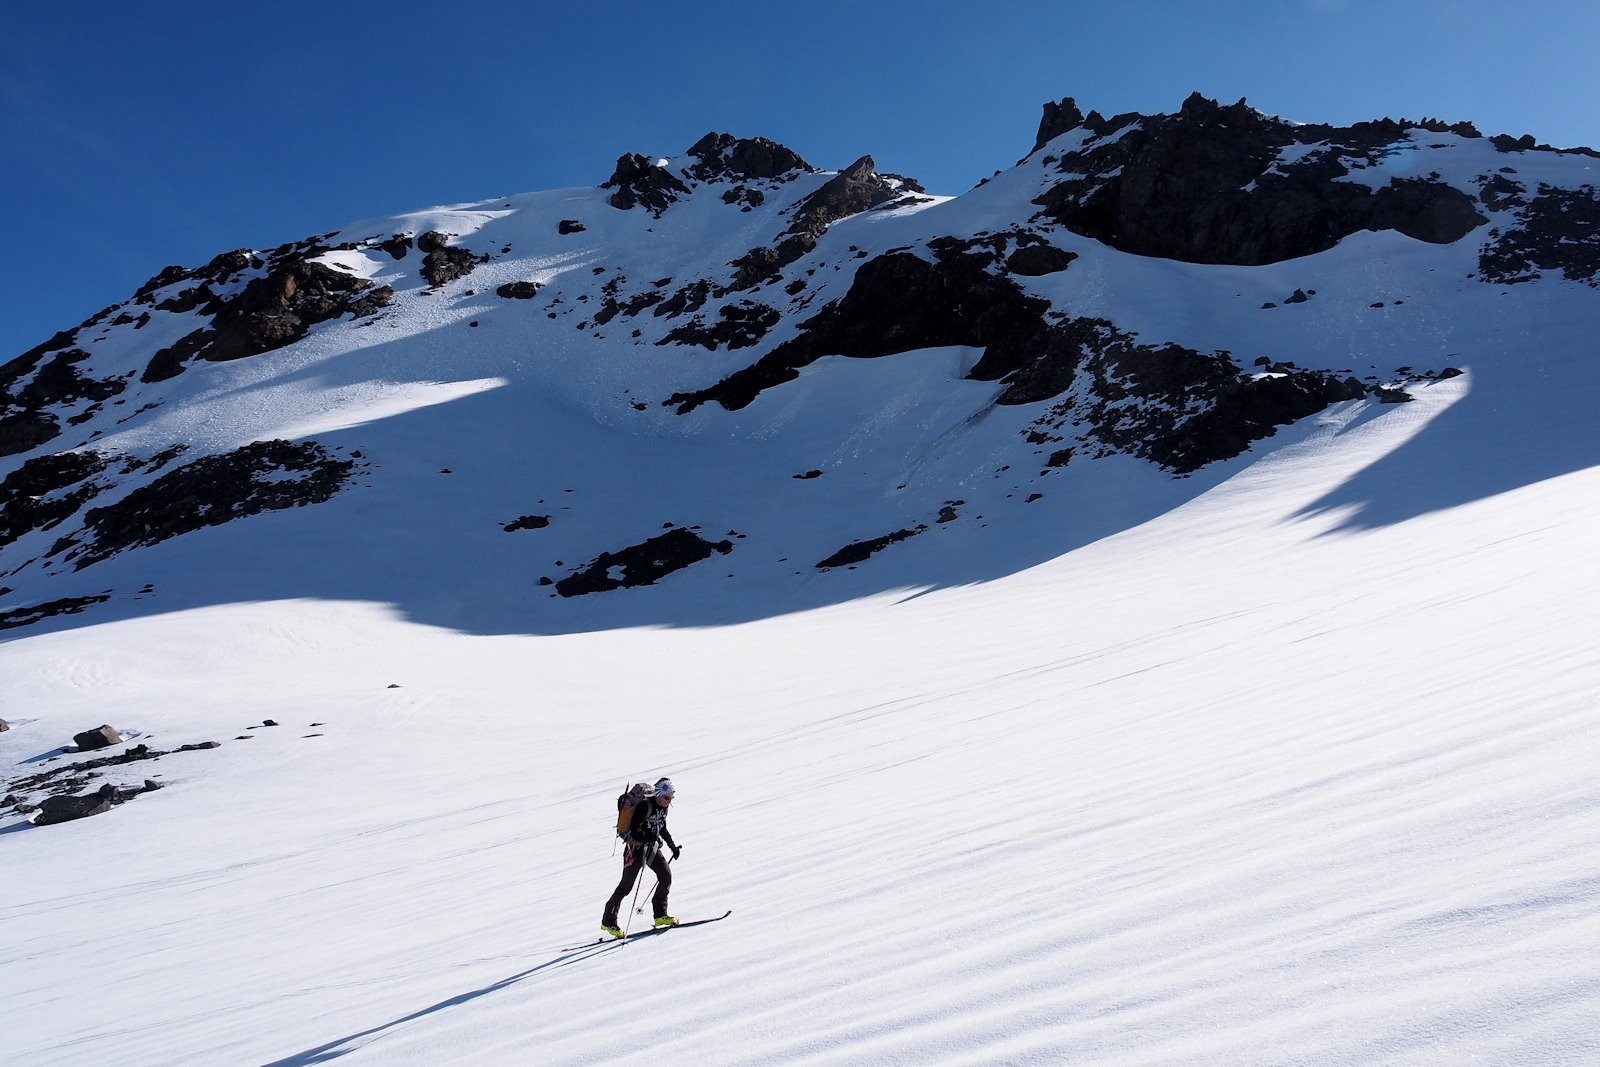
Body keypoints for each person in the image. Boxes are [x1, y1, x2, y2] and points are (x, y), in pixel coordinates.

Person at [602, 777, 681, 937]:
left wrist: (672, 845)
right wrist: (650, 836)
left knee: (665, 876)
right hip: (635, 849)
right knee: (625, 888)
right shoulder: (645, 806)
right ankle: (608, 922)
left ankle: (660, 915)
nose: (669, 801)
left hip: (651, 847)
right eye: (667, 798)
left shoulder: (663, 807)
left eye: (671, 798)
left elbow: (662, 827)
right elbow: (635, 830)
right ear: (659, 793)